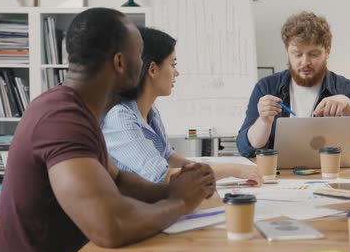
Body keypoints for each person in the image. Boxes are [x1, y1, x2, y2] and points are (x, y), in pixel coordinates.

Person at [0, 8, 216, 252]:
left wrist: (171, 190)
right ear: (120, 62)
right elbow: (111, 226)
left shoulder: (78, 109)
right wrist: (178, 203)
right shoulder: (61, 118)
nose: (144, 62)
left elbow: (117, 179)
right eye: (140, 52)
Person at [102, 27, 262, 184]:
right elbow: (163, 177)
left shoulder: (151, 111)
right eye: (172, 64)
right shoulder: (120, 119)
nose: (176, 72)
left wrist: (212, 168)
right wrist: (232, 170)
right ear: (152, 69)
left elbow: (169, 157)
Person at [237, 11, 350, 157]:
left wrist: (349, 110)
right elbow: (244, 149)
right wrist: (264, 122)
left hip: (331, 175)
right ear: (287, 51)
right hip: (279, 177)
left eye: (313, 54)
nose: (305, 63)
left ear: (327, 51)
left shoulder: (349, 89)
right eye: (297, 54)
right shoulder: (266, 87)